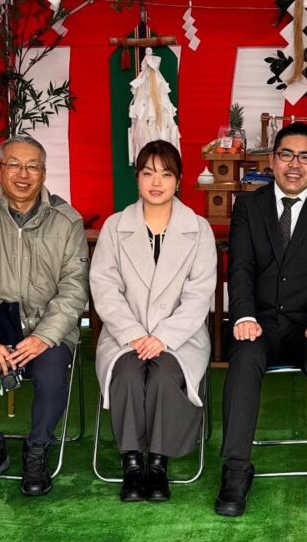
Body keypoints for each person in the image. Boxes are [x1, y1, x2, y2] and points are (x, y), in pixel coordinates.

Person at [215, 122, 307, 524]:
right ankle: (236, 469)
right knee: (242, 361)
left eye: (305, 157)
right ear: (272, 160)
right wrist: (241, 314)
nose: (295, 165)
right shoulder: (249, 206)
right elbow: (238, 267)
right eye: (287, 155)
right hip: (257, 323)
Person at [0, 135, 88, 498]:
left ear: (43, 172)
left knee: (53, 376)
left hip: (46, 327)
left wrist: (44, 337)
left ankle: (37, 449)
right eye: (14, 165)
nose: (23, 175)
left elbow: (74, 290)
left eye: (33, 166)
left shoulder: (67, 221)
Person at [91, 141, 216, 502]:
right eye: (148, 173)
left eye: (166, 173)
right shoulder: (115, 227)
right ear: (138, 179)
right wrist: (133, 335)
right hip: (123, 335)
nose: (156, 182)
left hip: (181, 336)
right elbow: (104, 288)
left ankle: (158, 465)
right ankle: (132, 464)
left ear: (179, 181)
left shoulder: (199, 230)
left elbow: (199, 296)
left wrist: (162, 337)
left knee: (164, 374)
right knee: (128, 372)